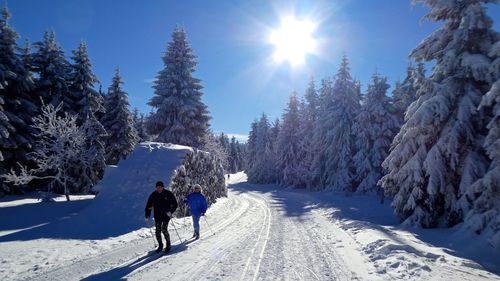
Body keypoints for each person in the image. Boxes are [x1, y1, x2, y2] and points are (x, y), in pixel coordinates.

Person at [145, 181, 178, 253]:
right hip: (157, 216)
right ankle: (160, 245)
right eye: (157, 187)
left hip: (166, 215)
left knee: (164, 229)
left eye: (160, 187)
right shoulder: (154, 195)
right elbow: (149, 206)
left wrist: (170, 211)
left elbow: (175, 204)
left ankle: (168, 244)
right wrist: (147, 214)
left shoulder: (168, 194)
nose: (159, 189)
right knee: (157, 231)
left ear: (163, 187)